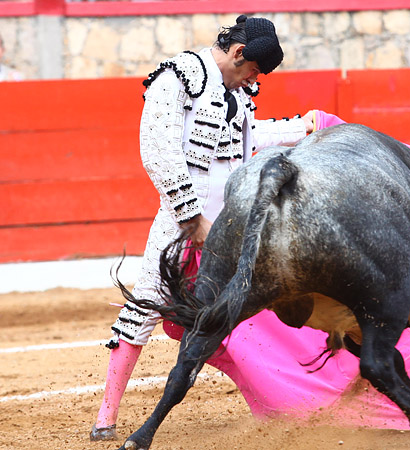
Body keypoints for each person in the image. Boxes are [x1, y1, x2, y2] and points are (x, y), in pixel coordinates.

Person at [90, 15, 314, 441]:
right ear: (238, 53)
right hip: (181, 222)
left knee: (253, 306)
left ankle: (290, 398)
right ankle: (105, 418)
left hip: (230, 221)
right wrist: (191, 219)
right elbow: (159, 152)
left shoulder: (238, 92)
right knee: (145, 305)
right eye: (253, 70)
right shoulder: (179, 77)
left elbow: (248, 139)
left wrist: (299, 129)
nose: (254, 80)